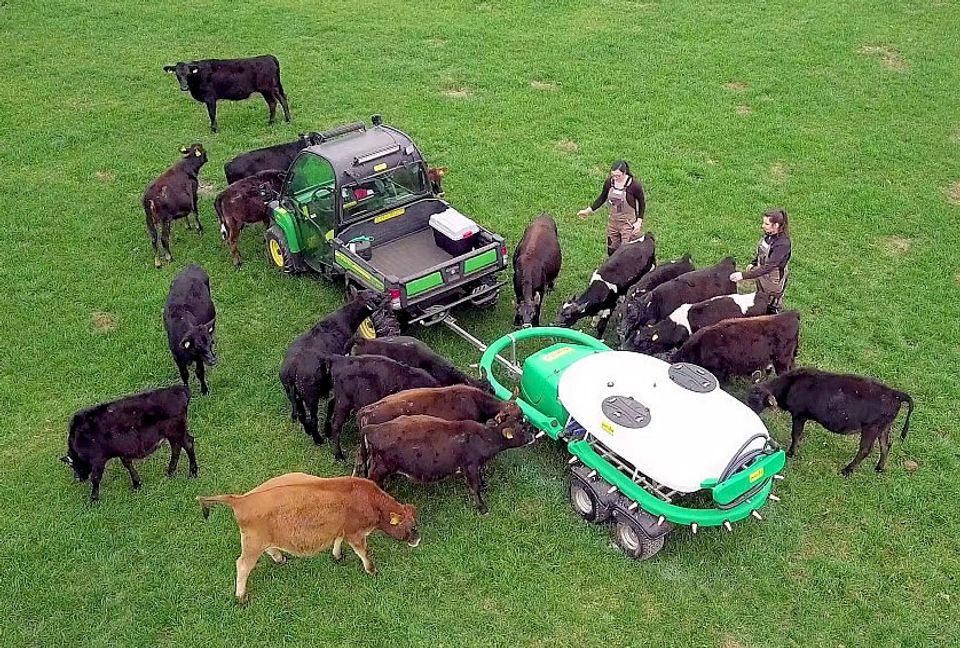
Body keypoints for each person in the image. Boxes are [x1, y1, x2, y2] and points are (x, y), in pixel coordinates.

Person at [730, 208, 792, 314]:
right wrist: (753, 263)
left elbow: (769, 267)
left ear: (776, 225)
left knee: (770, 303)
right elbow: (761, 252)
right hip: (761, 272)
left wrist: (743, 276)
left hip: (772, 279)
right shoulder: (769, 235)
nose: (763, 226)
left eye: (766, 224)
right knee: (761, 296)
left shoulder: (782, 244)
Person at [577, 160, 646, 255]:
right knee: (611, 251)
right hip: (613, 222)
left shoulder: (634, 186)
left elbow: (642, 203)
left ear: (624, 173)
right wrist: (588, 211)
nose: (615, 178)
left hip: (628, 224)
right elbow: (602, 198)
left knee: (627, 252)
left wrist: (639, 222)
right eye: (613, 175)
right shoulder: (609, 182)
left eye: (618, 176)